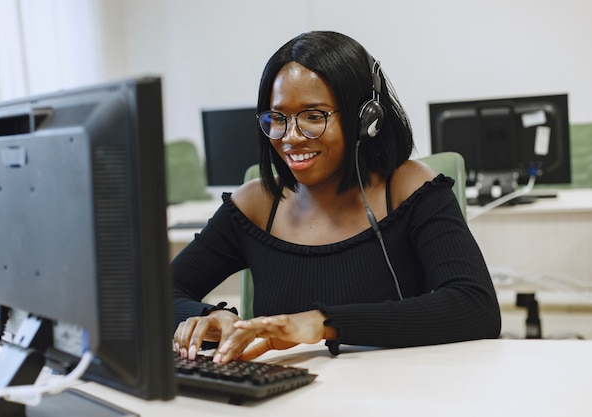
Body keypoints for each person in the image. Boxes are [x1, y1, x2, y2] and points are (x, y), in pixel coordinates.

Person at [172, 31, 501, 364]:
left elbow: (475, 306)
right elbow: (155, 295)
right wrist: (213, 317)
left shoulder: (408, 189)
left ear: (365, 120)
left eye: (314, 116)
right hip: (281, 401)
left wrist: (321, 323)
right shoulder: (256, 204)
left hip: (396, 394)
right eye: (278, 118)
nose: (292, 137)